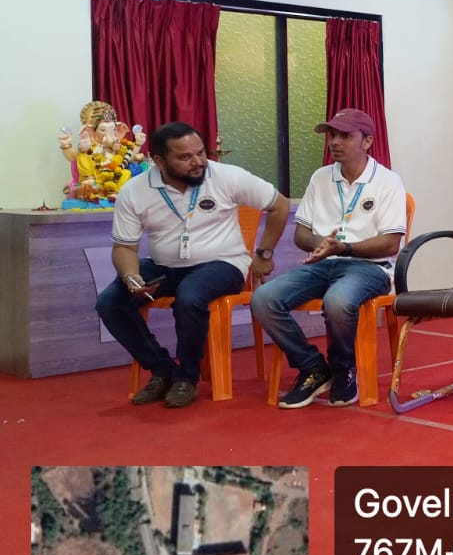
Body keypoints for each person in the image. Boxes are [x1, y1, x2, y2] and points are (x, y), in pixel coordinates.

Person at [97, 122, 289, 408]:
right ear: (159, 160)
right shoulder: (134, 191)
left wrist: (264, 254)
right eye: (185, 157)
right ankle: (162, 369)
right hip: (164, 266)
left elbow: (279, 204)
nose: (198, 162)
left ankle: (186, 377)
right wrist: (131, 277)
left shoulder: (226, 176)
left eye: (200, 152)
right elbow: (125, 247)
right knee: (110, 302)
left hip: (224, 263)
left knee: (190, 295)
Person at [250, 109, 408, 408]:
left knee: (338, 301)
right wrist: (324, 245)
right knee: (263, 299)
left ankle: (343, 368)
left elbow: (390, 243)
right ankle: (312, 368)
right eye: (332, 135)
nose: (334, 142)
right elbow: (301, 234)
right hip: (323, 264)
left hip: (370, 268)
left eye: (345, 136)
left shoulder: (388, 181)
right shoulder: (321, 177)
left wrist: (343, 248)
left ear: (367, 142)